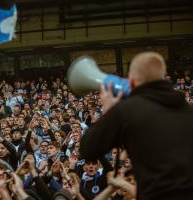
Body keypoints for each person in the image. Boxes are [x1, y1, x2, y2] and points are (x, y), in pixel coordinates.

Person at [80, 52, 193, 200]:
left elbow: (88, 149)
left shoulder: (128, 110)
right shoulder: (188, 110)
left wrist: (109, 111)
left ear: (132, 80)